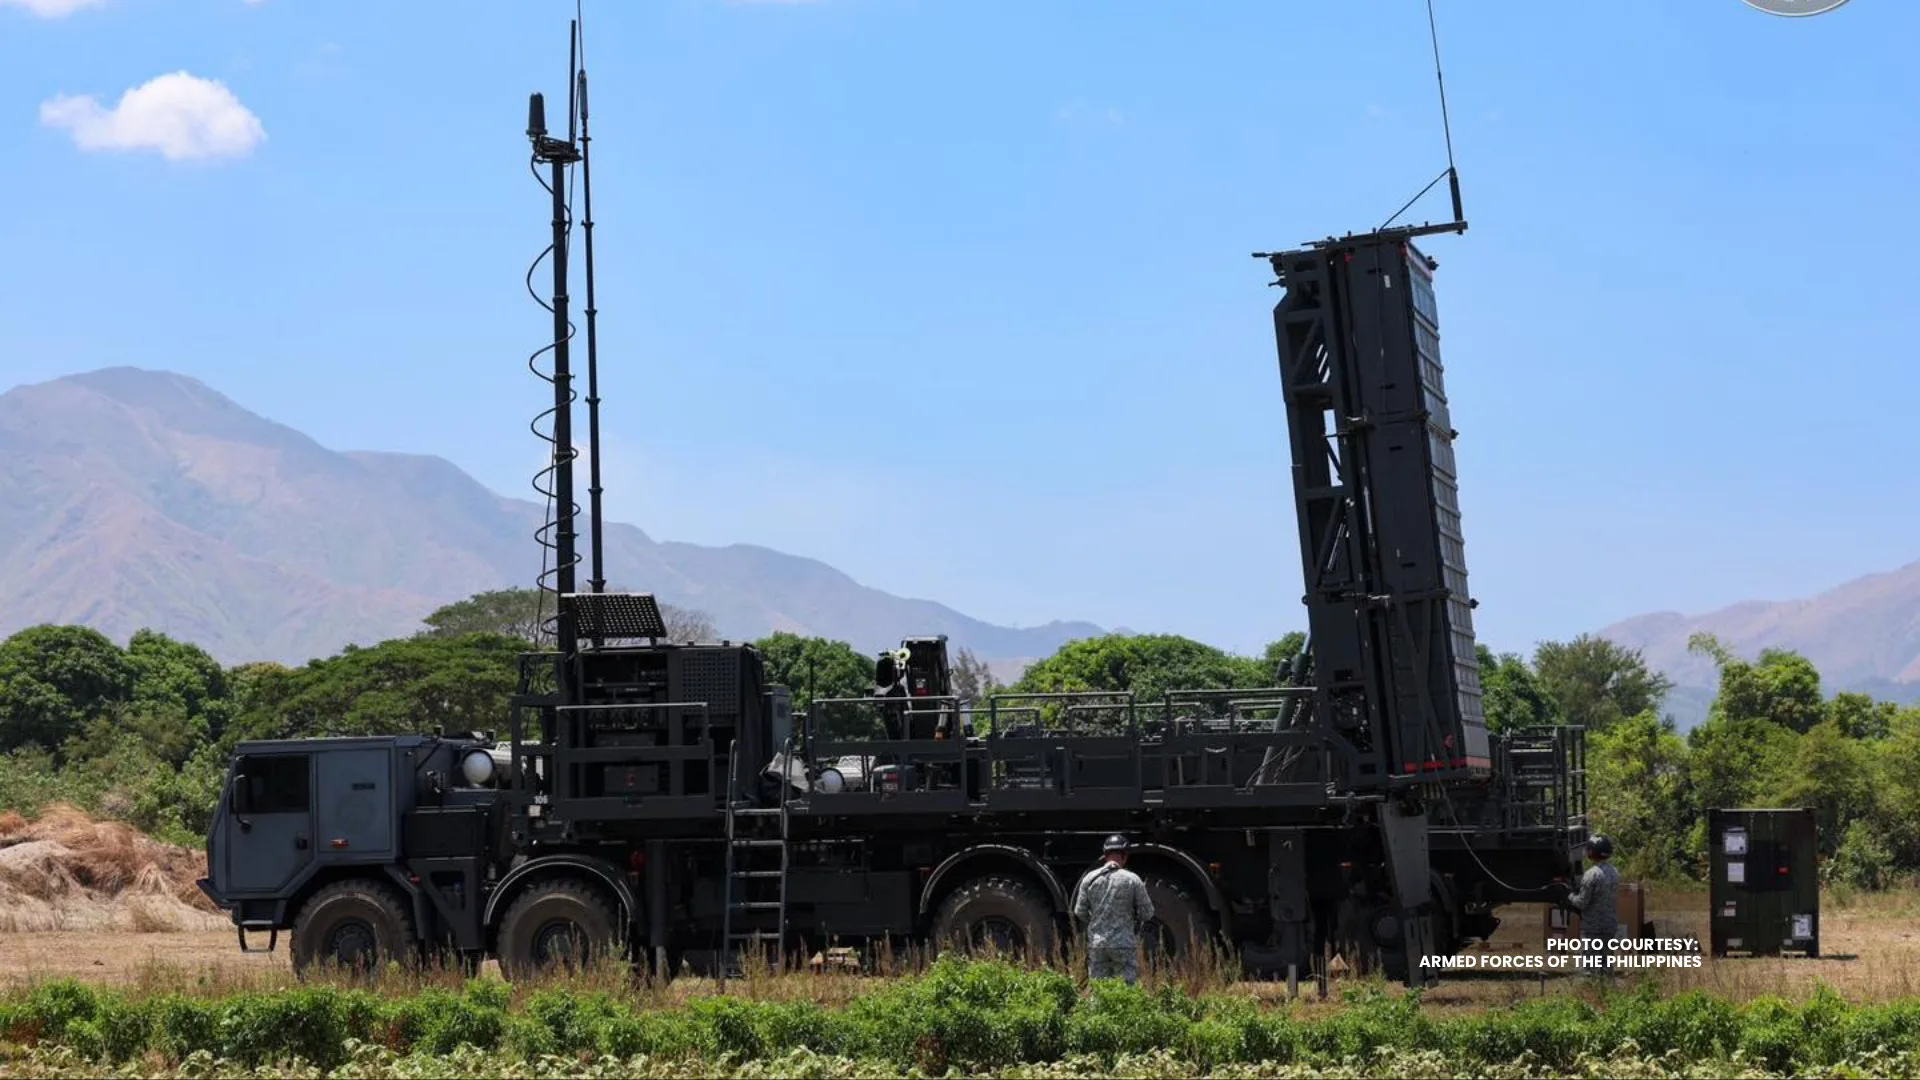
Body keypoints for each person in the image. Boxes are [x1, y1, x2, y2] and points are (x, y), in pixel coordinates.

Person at [1073, 834, 1155, 984]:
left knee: (1099, 987)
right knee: (1126, 988)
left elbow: (1079, 911)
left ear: (1105, 855)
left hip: (1098, 943)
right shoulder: (1132, 880)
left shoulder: (1089, 879)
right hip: (1123, 944)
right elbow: (1147, 913)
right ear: (1125, 856)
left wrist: (1097, 922)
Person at [1563, 834, 1621, 977]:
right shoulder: (1615, 872)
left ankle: (1592, 988)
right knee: (1606, 964)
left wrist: (1569, 896)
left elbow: (1582, 903)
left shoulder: (1591, 875)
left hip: (1593, 927)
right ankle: (1607, 987)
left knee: (1591, 967)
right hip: (1610, 924)